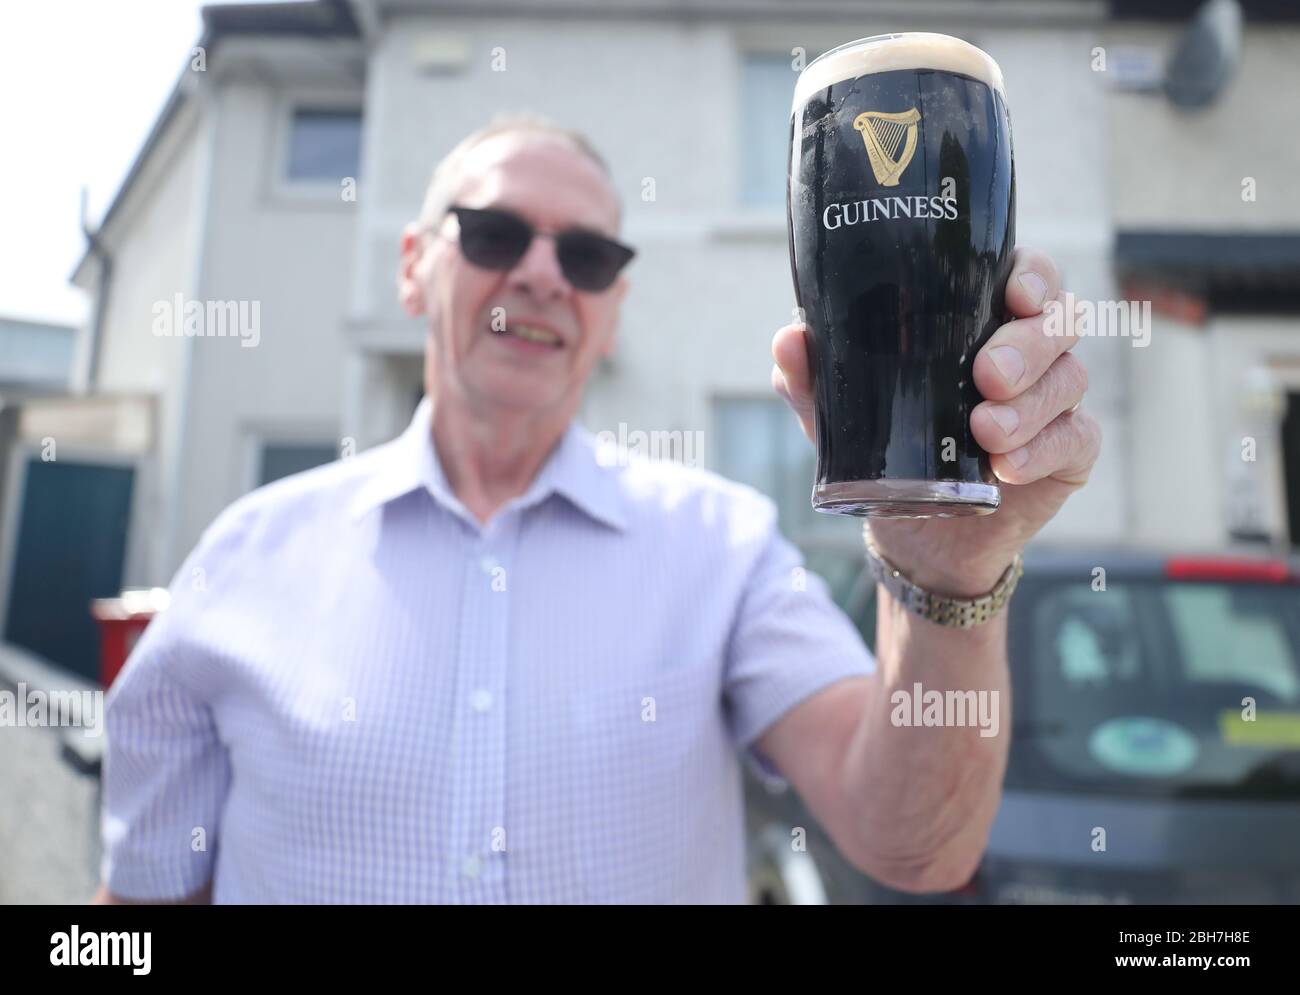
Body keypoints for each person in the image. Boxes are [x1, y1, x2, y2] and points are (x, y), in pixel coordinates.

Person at [95, 116, 1099, 904]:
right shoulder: (243, 556)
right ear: (412, 264)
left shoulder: (719, 546)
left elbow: (913, 844)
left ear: (612, 308)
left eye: (586, 257)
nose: (539, 273)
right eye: (493, 233)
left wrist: (947, 570)